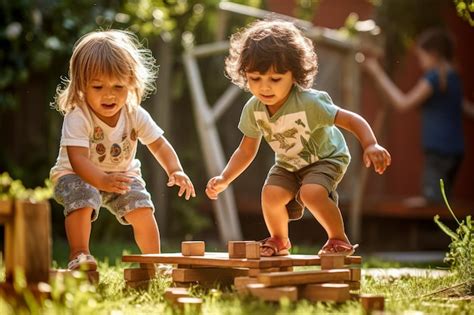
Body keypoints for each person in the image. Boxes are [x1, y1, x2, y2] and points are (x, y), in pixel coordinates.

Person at [205, 20, 391, 257]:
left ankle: (338, 239)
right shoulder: (254, 109)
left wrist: (370, 144)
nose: (265, 87)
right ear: (245, 75)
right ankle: (280, 239)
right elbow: (246, 150)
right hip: (288, 164)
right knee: (270, 195)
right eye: (255, 78)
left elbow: (352, 120)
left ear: (294, 74)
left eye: (275, 79)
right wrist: (225, 178)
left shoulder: (310, 102)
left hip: (325, 158)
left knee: (310, 192)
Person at [50, 30, 195, 270]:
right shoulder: (79, 115)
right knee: (83, 197)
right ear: (82, 85)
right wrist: (101, 180)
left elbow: (158, 143)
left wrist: (175, 169)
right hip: (75, 174)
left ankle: (154, 262)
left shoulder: (134, 113)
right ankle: (80, 255)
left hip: (121, 175)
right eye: (98, 86)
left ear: (131, 83)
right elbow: (77, 159)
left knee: (143, 208)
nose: (109, 94)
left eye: (118, 86)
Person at [362, 28, 465, 205]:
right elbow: (463, 106)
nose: (420, 62)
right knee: (444, 200)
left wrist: (376, 71)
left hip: (438, 150)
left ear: (433, 54)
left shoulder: (433, 78)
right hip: (456, 149)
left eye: (421, 57)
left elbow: (403, 103)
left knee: (432, 203)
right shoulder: (453, 76)